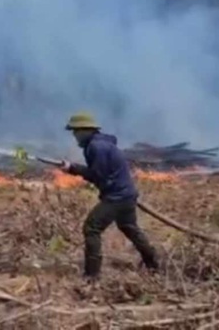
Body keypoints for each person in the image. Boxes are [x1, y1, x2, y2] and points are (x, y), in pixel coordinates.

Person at [59, 111, 160, 280]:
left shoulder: (96, 147)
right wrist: (73, 168)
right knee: (129, 227)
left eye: (76, 132)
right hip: (126, 194)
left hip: (117, 197)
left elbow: (98, 175)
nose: (75, 136)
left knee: (91, 228)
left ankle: (92, 276)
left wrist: (72, 169)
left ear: (86, 131)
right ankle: (153, 263)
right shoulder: (103, 144)